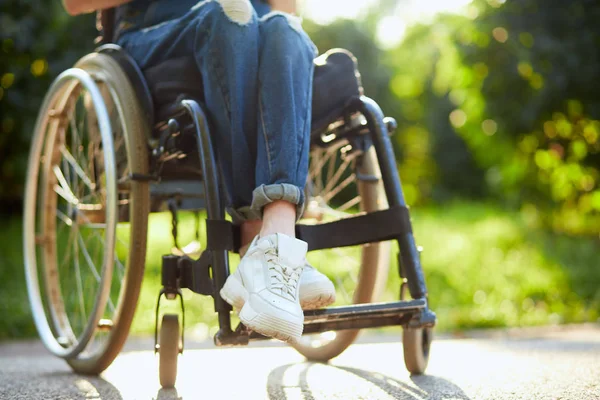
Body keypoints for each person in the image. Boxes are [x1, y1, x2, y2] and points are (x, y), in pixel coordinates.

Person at [62, 0, 336, 343]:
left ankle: (276, 239)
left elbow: (287, 7)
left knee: (286, 29)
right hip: (156, 33)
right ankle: (262, 245)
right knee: (230, 12)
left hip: (256, 25)